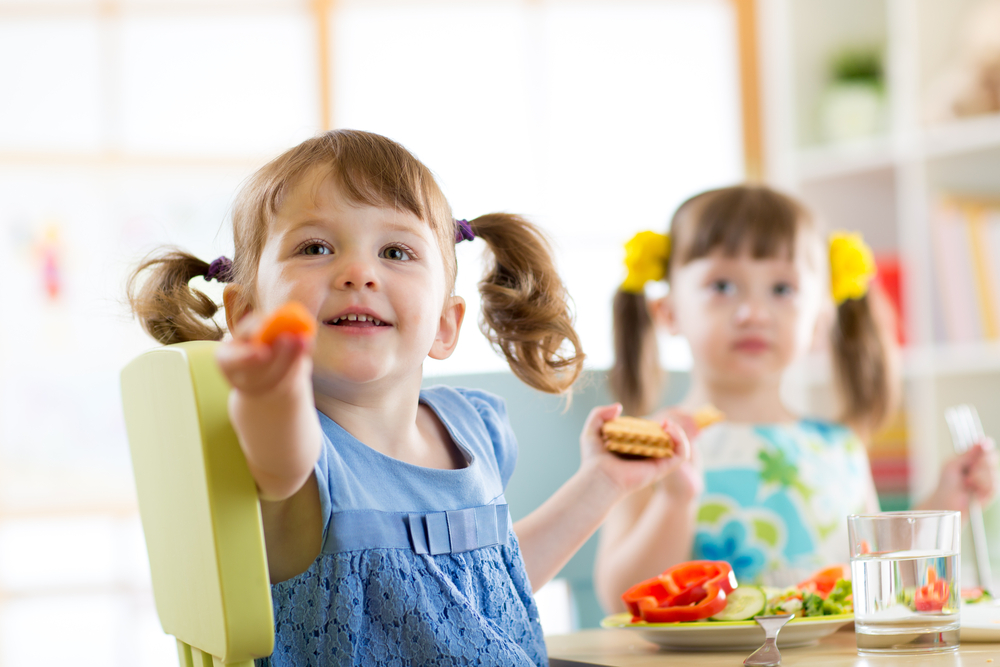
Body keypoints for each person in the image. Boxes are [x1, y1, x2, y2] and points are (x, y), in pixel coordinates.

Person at [127, 129, 690, 665]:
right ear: (248, 314)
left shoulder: (475, 427)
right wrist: (269, 388)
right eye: (315, 246)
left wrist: (603, 483)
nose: (358, 271)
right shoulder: (299, 455)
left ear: (445, 325)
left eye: (396, 252)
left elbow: (493, 591)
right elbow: (280, 455)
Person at [594, 184, 998, 612]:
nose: (754, 312)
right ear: (669, 311)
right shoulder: (653, 446)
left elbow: (881, 581)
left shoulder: (838, 447)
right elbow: (621, 603)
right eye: (723, 286)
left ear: (820, 320)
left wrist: (944, 502)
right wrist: (676, 500)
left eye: (782, 290)